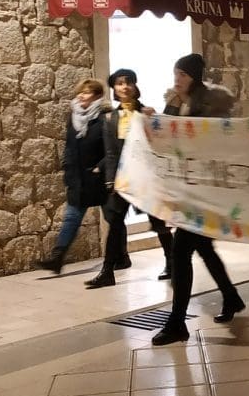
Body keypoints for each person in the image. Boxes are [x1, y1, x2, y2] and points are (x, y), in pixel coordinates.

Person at [151, 54, 246, 346]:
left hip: (206, 191)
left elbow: (208, 139)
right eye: (175, 73)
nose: (177, 79)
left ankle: (177, 322)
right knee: (204, 248)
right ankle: (231, 297)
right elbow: (166, 135)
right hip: (188, 189)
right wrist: (160, 113)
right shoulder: (178, 101)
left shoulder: (211, 104)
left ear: (194, 76)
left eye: (182, 74)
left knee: (181, 252)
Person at [86, 69, 175, 287]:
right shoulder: (109, 118)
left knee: (158, 222)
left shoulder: (146, 114)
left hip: (146, 178)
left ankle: (173, 264)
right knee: (115, 224)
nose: (124, 87)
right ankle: (107, 271)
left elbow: (160, 143)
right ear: (114, 89)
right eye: (119, 83)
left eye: (128, 82)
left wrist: (155, 120)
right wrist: (110, 181)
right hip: (123, 178)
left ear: (135, 86)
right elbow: (110, 153)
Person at [37, 79, 109, 274]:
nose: (81, 96)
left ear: (97, 96)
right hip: (79, 178)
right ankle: (57, 258)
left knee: (113, 218)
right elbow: (70, 146)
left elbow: (112, 148)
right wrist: (67, 168)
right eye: (80, 92)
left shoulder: (104, 118)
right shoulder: (74, 117)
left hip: (100, 177)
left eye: (87, 93)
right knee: (71, 217)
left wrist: (100, 167)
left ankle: (120, 256)